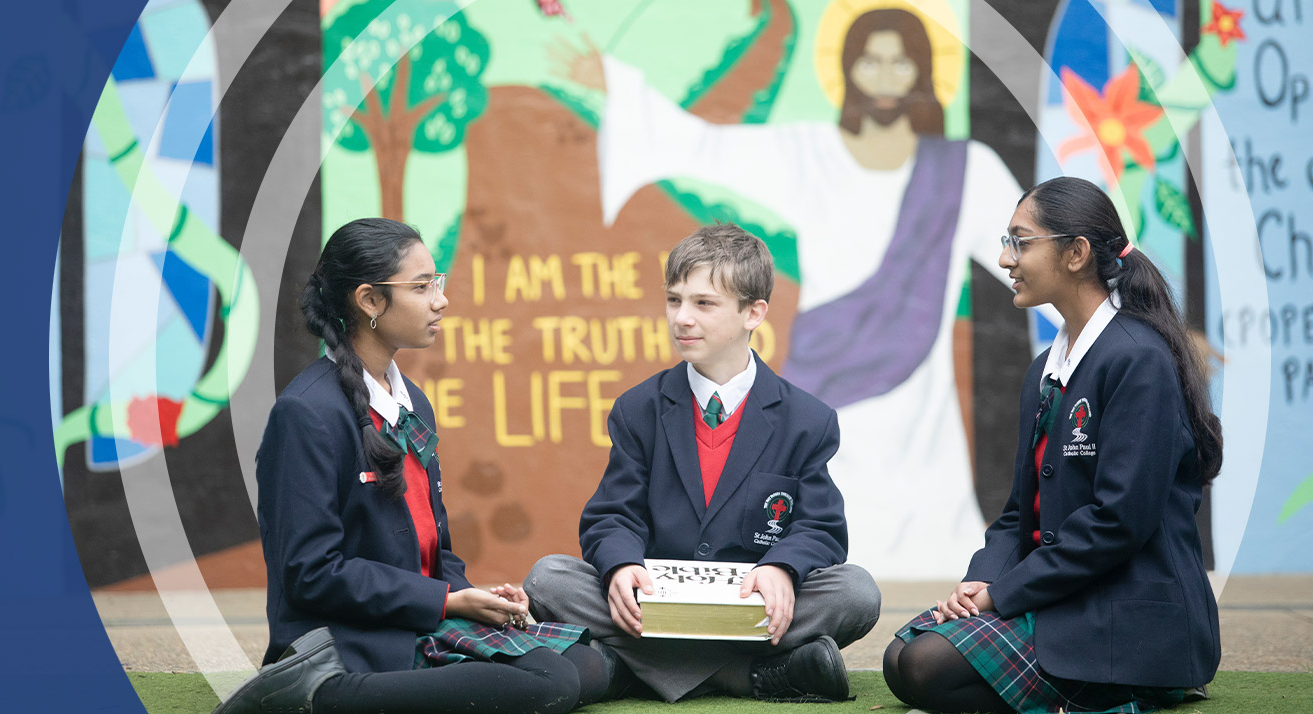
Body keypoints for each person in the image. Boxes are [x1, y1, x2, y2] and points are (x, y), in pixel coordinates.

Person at [558, 5, 1027, 577]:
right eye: (870, 62)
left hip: (919, 403)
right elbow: (704, 147)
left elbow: (1031, 257)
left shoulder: (964, 169)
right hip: (829, 374)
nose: (884, 78)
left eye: (900, 63)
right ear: (848, 70)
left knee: (876, 565)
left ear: (923, 72)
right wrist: (618, 86)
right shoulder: (810, 152)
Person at [215, 218, 610, 714]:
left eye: (436, 283)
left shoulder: (412, 402)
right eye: (422, 287)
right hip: (352, 636)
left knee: (585, 666)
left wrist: (473, 596)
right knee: (548, 682)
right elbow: (312, 574)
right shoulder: (307, 413)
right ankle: (315, 693)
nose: (440, 300)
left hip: (415, 615)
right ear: (370, 301)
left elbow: (434, 548)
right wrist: (446, 603)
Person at [882, 177, 1223, 714]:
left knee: (928, 667)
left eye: (1020, 241)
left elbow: (1119, 522)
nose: (1003, 258)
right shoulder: (1047, 368)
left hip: (1127, 611)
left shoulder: (1137, 358)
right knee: (900, 659)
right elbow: (1019, 514)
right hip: (1065, 593)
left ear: (1076, 254)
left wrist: (1006, 594)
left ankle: (1137, 685)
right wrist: (983, 579)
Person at [523, 224, 881, 704]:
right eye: (675, 300)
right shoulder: (638, 408)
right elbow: (613, 514)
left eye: (704, 304)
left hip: (748, 606)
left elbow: (821, 528)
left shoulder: (808, 420)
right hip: (656, 602)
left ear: (754, 312)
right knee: (549, 578)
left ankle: (634, 668)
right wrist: (621, 566)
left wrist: (781, 568)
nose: (682, 318)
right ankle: (746, 676)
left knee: (856, 592)